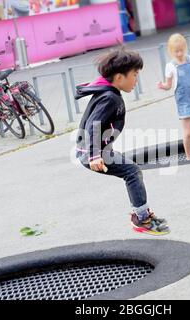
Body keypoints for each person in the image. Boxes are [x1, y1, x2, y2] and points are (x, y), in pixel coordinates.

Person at [75, 49, 170, 236]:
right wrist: (94, 155)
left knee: (132, 170)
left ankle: (142, 213)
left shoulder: (108, 93)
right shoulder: (109, 98)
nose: (136, 80)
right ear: (119, 77)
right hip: (92, 152)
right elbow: (94, 125)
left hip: (98, 149)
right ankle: (142, 218)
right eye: (134, 75)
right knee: (132, 172)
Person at [157, 33, 190, 160]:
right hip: (183, 100)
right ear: (171, 51)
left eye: (181, 50)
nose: (179, 54)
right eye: (176, 51)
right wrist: (162, 86)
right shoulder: (170, 66)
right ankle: (189, 157)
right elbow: (168, 85)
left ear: (184, 48)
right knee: (188, 133)